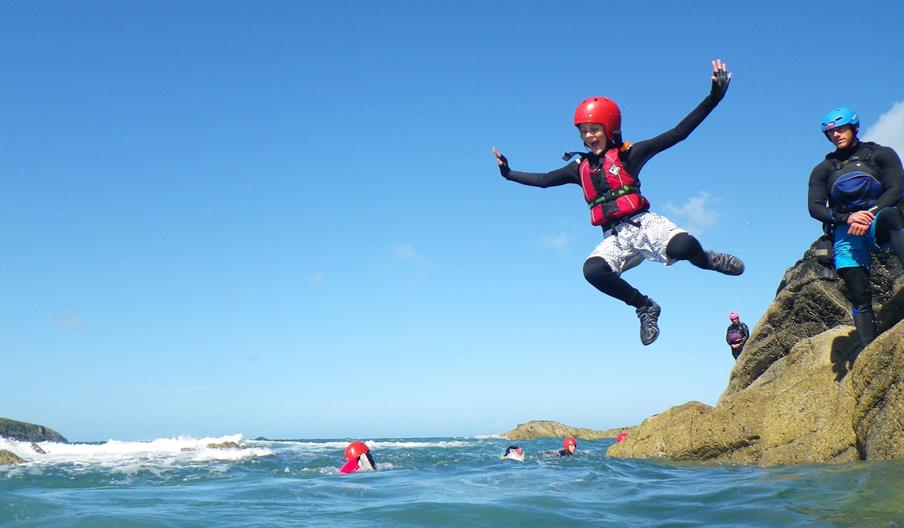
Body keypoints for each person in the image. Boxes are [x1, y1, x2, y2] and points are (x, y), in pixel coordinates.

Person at [492, 60, 744, 346]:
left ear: (609, 128)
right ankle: (645, 306)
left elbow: (677, 133)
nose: (589, 136)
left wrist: (712, 99)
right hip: (615, 238)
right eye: (583, 131)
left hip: (643, 225)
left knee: (684, 247)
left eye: (594, 129)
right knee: (592, 271)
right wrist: (508, 174)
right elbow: (546, 180)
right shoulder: (579, 168)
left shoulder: (629, 155)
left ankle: (707, 259)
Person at [807, 107, 904, 347]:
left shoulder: (880, 154)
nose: (836, 135)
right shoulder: (824, 169)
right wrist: (847, 218)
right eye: (831, 132)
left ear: (854, 128)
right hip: (845, 230)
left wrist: (869, 214)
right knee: (859, 294)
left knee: (892, 216)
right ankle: (868, 350)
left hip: (877, 219)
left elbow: (896, 189)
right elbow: (814, 207)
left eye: (840, 130)